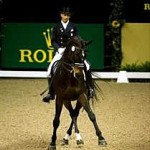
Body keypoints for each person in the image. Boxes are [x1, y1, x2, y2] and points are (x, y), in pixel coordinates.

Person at [42, 7, 94, 103]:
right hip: (60, 51)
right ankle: (51, 93)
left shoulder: (73, 26)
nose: (66, 16)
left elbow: (77, 38)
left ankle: (90, 89)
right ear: (61, 15)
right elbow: (53, 41)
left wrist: (78, 46)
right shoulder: (56, 27)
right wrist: (59, 48)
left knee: (87, 66)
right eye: (65, 14)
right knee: (49, 70)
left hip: (72, 52)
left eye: (68, 15)